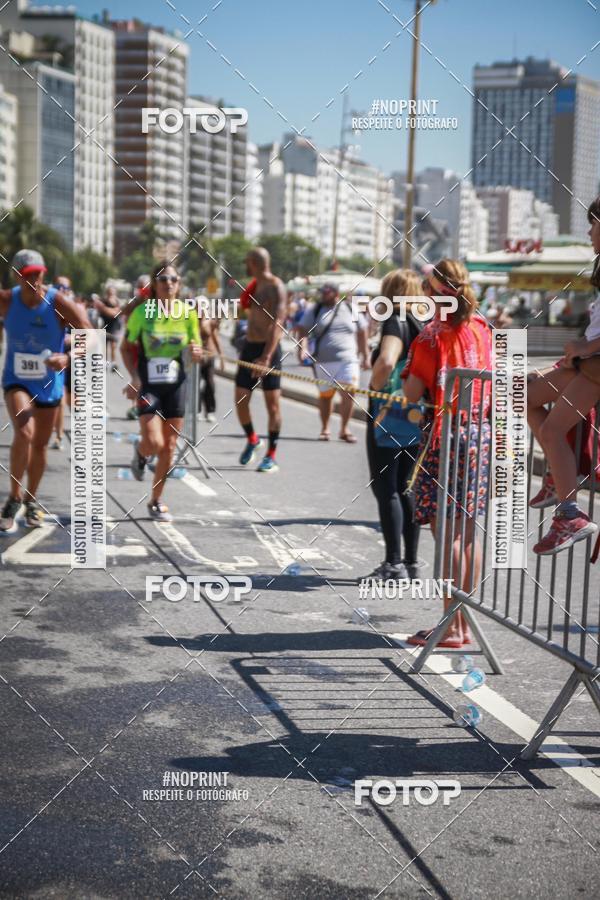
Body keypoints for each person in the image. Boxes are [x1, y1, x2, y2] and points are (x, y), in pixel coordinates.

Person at [402, 259, 493, 649]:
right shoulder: (484, 327)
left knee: (447, 533)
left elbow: (410, 392)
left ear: (437, 294)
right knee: (468, 531)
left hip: (446, 436)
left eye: (426, 289)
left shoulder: (430, 336)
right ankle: (463, 622)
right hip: (482, 434)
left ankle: (451, 626)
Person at [526, 197, 600, 554]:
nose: (589, 231)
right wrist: (577, 351)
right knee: (523, 397)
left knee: (554, 430)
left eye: (594, 223)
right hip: (588, 364)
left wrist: (586, 348)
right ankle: (559, 481)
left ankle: (570, 513)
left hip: (595, 366)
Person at [0, 250, 90, 532]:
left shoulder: (57, 302)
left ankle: (32, 499)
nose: (36, 280)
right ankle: (14, 498)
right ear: (17, 276)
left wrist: (68, 356)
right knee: (23, 431)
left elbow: (88, 333)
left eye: (39, 273)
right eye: (29, 275)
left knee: (39, 445)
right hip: (17, 379)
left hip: (50, 382)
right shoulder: (6, 300)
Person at [120, 262, 203, 522]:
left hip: (176, 385)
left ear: (179, 284)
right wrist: (134, 377)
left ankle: (156, 500)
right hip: (149, 385)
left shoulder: (187, 313)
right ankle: (141, 451)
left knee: (168, 447)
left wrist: (195, 353)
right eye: (163, 279)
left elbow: (194, 352)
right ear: (155, 284)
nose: (169, 283)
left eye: (174, 279)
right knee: (154, 442)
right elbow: (125, 347)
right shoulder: (142, 312)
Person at [365, 269, 424, 580]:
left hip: (388, 410)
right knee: (406, 485)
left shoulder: (395, 320)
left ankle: (393, 563)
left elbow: (387, 361)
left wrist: (375, 388)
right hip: (417, 411)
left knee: (386, 487)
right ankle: (411, 562)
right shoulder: (424, 324)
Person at [235, 247, 286, 473]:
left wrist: (266, 356)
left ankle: (271, 455)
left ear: (254, 262)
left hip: (269, 351)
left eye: (247, 261)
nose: (245, 265)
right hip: (249, 346)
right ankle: (253, 439)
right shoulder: (254, 287)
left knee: (272, 404)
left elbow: (278, 323)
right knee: (240, 400)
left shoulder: (276, 287)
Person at [297, 283, 368, 442]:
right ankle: (325, 428)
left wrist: (366, 355)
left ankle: (344, 429)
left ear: (336, 293)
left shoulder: (351, 308)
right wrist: (303, 348)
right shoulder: (315, 310)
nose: (322, 295)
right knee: (326, 396)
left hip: (348, 359)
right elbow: (302, 329)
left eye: (325, 292)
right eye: (321, 292)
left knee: (349, 393)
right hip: (323, 361)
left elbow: (363, 331)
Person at [51, 274, 74, 450]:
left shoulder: (74, 309)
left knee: (71, 400)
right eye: (59, 286)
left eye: (65, 288)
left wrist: (71, 340)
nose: (61, 290)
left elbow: (88, 335)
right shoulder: (47, 307)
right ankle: (58, 436)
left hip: (72, 357)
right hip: (53, 358)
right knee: (58, 398)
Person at [196, 296, 223, 422]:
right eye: (198, 306)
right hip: (196, 358)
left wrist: (221, 356)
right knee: (196, 385)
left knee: (210, 384)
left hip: (209, 356)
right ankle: (197, 410)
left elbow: (216, 337)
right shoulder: (191, 320)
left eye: (203, 306)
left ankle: (210, 411)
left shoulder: (210, 321)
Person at [95, 285, 122, 370]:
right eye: (110, 292)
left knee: (113, 345)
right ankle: (105, 362)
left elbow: (116, 313)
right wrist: (110, 311)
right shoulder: (103, 301)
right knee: (105, 345)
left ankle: (114, 363)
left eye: (113, 292)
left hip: (114, 325)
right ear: (107, 292)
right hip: (105, 325)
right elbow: (107, 312)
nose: (111, 293)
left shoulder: (117, 301)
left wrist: (106, 310)